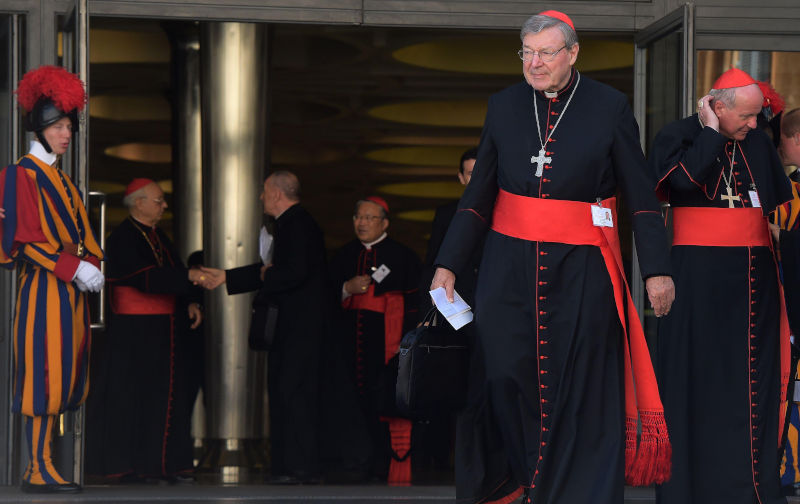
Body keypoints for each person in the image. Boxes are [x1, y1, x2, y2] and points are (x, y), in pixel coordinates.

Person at [430, 11, 675, 504]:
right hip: (507, 265)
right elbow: (478, 195)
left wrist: (657, 270)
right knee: (503, 374)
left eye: (546, 52)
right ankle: (520, 482)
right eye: (527, 52)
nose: (535, 63)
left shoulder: (608, 106)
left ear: (573, 53)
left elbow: (641, 195)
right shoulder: (503, 106)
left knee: (579, 385)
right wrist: (448, 262)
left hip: (581, 267)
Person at [650, 68, 792, 504]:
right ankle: (689, 491)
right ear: (717, 106)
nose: (754, 125)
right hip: (694, 280)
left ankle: (749, 488)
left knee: (751, 386)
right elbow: (680, 184)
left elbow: (777, 207)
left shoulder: (758, 144)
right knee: (693, 382)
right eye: (746, 116)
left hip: (753, 286)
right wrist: (711, 135)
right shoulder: (676, 135)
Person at [0, 65, 104, 493]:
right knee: (43, 376)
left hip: (69, 293)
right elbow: (24, 240)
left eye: (68, 125)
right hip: (44, 290)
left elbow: (83, 235)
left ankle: (44, 466)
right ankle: (36, 468)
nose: (66, 133)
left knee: (64, 377)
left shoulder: (62, 179)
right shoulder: (19, 174)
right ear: (39, 128)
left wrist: (92, 263)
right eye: (58, 126)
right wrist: (74, 268)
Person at [199, 171, 330, 484]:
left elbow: (292, 273)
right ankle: (287, 466)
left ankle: (299, 468)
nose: (260, 198)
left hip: (299, 330)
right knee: (286, 393)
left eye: (264, 192)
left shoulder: (297, 224)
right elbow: (272, 270)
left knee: (293, 394)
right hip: (294, 330)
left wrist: (266, 276)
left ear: (276, 194)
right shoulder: (292, 223)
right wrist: (228, 277)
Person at [85, 178, 203, 483]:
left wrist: (189, 301)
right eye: (158, 201)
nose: (164, 206)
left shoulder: (157, 236)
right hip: (133, 335)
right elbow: (146, 278)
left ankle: (161, 465)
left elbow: (174, 272)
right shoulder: (124, 238)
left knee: (163, 398)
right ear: (138, 203)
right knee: (133, 399)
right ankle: (131, 467)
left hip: (162, 332)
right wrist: (188, 278)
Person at [330, 196, 422, 485]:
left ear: (385, 223)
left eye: (370, 218)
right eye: (358, 217)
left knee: (384, 402)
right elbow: (323, 293)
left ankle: (385, 464)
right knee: (351, 403)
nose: (362, 223)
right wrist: (347, 287)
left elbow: (414, 304)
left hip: (388, 344)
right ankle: (356, 461)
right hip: (350, 345)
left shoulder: (403, 256)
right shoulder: (344, 254)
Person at [414, 147, 479, 482]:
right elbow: (432, 266)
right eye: (469, 172)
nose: (475, 177)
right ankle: (439, 462)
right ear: (460, 178)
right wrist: (433, 311)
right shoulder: (446, 213)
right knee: (446, 386)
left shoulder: (507, 210)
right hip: (454, 314)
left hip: (494, 315)